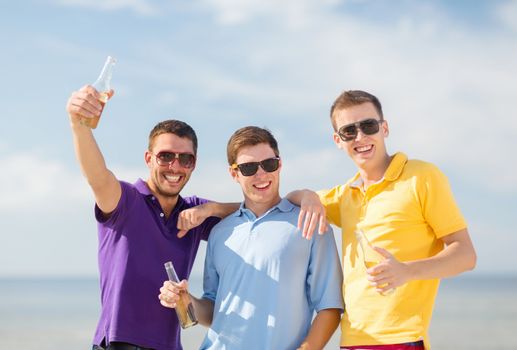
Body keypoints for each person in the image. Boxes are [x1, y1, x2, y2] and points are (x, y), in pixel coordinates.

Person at [288, 90, 477, 349]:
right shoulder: (345, 195)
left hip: (402, 339)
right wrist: (307, 196)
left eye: (368, 126)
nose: (361, 137)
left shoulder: (422, 177)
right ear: (338, 140)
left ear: (384, 128)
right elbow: (286, 202)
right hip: (352, 339)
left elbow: (466, 255)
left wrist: (407, 271)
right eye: (349, 131)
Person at [66, 85, 238, 350]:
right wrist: (79, 126)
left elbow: (254, 210)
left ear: (194, 163)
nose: (175, 166)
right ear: (149, 158)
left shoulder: (194, 211)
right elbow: (97, 176)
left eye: (185, 159)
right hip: (117, 343)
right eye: (166, 156)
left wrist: (210, 209)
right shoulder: (126, 200)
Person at [159, 126, 344, 350]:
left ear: (280, 164)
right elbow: (212, 310)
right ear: (234, 174)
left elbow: (330, 307)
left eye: (269, 164)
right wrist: (187, 301)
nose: (261, 174)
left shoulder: (311, 221)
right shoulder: (220, 233)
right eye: (248, 168)